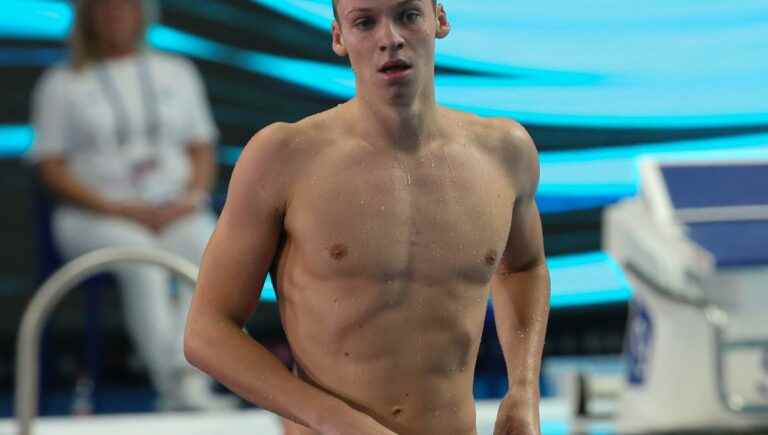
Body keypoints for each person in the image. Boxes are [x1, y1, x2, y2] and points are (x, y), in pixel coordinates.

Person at [185, 0, 550, 433]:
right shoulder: (283, 157)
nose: (390, 39)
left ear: (441, 20)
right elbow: (206, 332)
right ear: (339, 37)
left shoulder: (505, 152)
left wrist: (524, 390)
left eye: (408, 16)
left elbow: (524, 267)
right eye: (365, 22)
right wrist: (334, 421)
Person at [29, 0, 235, 411]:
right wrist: (117, 208)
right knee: (143, 263)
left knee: (212, 249)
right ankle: (173, 381)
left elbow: (201, 147)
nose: (116, 16)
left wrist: (191, 196)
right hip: (95, 215)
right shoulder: (61, 82)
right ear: (88, 18)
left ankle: (194, 374)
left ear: (143, 14)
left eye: (124, 7)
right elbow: (50, 168)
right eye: (105, 9)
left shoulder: (177, 71)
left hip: (173, 207)